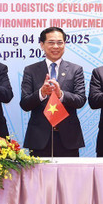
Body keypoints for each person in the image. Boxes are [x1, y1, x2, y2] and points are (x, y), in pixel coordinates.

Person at [19, 27, 86, 157]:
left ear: (65, 44)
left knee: (68, 177)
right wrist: (41, 93)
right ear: (42, 45)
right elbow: (25, 104)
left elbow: (80, 100)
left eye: (60, 42)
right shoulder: (31, 70)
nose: (56, 46)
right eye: (51, 42)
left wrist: (61, 95)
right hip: (39, 138)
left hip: (68, 137)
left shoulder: (75, 70)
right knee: (39, 177)